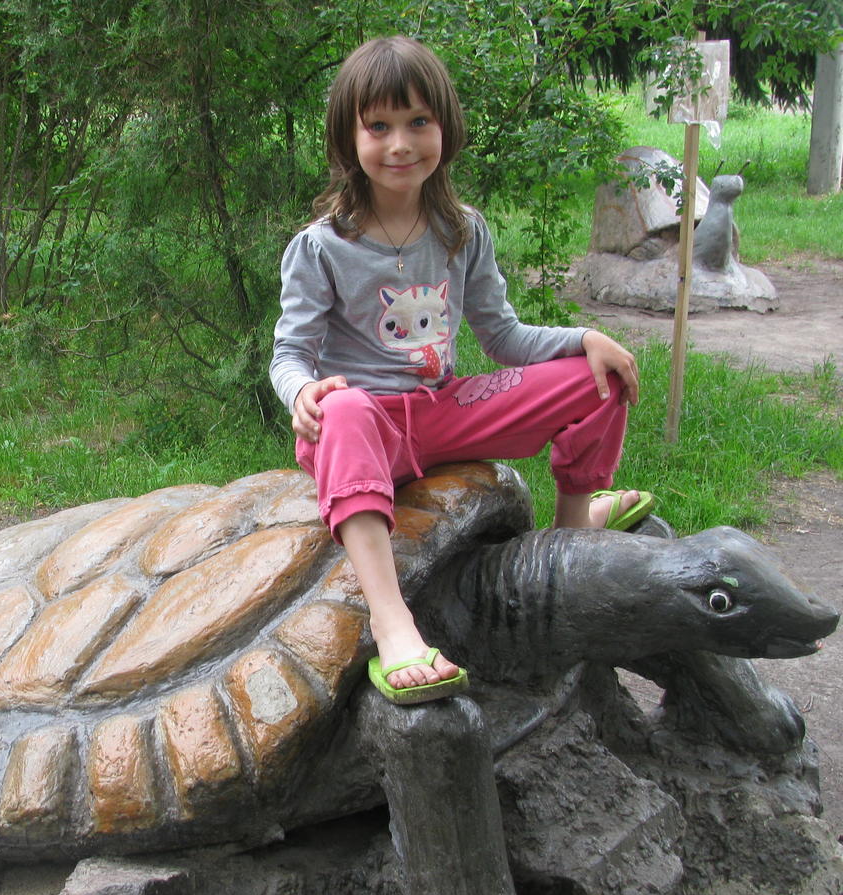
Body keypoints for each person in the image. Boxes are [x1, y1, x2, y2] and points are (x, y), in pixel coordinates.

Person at [271, 35, 653, 705]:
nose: (401, 144)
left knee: (600, 375)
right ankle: (392, 620)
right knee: (348, 405)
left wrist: (584, 338)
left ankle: (572, 530)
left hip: (441, 412)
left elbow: (502, 336)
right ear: (348, 139)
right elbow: (290, 354)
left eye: (418, 121)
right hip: (359, 428)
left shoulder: (462, 230)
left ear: (444, 126)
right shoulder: (322, 246)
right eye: (379, 126)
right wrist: (304, 393)